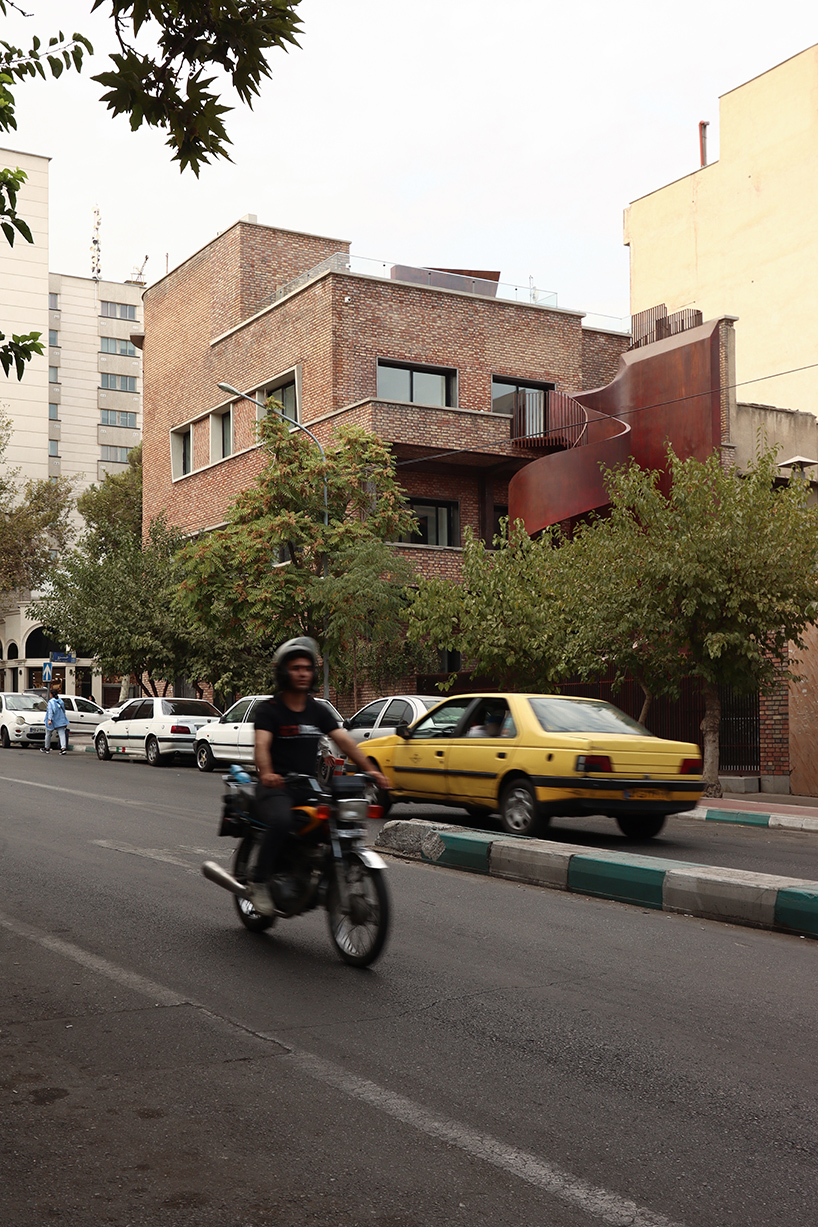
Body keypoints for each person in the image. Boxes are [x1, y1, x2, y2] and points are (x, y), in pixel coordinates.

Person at [248, 637, 391, 916]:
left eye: (307, 668)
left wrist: (371, 770)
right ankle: (260, 882)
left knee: (332, 819)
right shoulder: (270, 710)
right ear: (283, 672)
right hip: (275, 787)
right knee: (281, 820)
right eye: (296, 668)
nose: (303, 673)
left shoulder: (318, 710)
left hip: (306, 786)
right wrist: (267, 773)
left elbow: (344, 741)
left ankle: (315, 872)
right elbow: (262, 746)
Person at [41, 687, 70, 755]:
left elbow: (50, 711)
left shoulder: (51, 702)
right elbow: (63, 710)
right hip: (60, 719)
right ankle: (63, 748)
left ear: (51, 694)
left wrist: (49, 719)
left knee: (48, 734)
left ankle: (47, 748)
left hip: (53, 720)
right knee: (62, 734)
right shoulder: (60, 701)